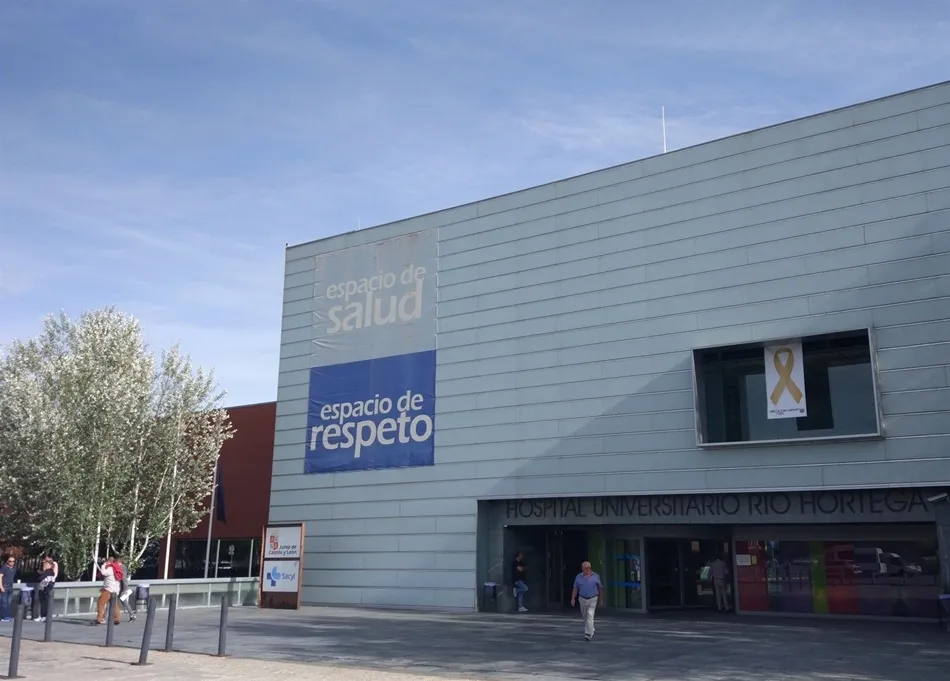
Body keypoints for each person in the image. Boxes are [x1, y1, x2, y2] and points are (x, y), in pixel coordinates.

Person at [570, 561, 603, 640]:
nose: (588, 569)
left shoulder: (595, 576)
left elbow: (600, 588)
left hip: (593, 598)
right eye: (586, 568)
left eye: (589, 568)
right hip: (582, 598)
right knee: (585, 616)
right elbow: (575, 588)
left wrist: (601, 600)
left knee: (590, 615)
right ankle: (591, 628)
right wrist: (573, 598)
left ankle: (588, 634)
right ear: (582, 569)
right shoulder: (578, 577)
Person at [94, 556, 121, 626]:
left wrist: (103, 565)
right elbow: (108, 580)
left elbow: (103, 573)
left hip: (109, 590)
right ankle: (116, 619)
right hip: (115, 590)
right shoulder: (115, 568)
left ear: (109, 561)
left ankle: (99, 619)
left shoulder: (110, 568)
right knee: (114, 605)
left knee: (101, 603)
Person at [114, 556, 137, 621]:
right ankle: (132, 614)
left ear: (118, 562)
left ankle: (132, 614)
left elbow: (123, 578)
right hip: (121, 587)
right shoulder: (122, 567)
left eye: (116, 562)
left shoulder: (122, 567)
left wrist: (124, 589)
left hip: (122, 588)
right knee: (122, 601)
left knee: (122, 600)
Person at [35, 557, 56, 622]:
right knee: (43, 602)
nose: (44, 565)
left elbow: (40, 578)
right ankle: (43, 615)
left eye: (46, 564)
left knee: (44, 603)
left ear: (49, 565)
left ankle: (44, 616)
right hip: (42, 588)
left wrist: (40, 574)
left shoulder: (49, 571)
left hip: (45, 589)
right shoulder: (46, 572)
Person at [0, 555, 16, 623]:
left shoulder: (14, 568)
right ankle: (4, 617)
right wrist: (1, 586)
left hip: (10, 586)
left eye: (13, 561)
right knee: (4, 602)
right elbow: (0, 577)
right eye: (10, 561)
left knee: (9, 602)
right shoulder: (4, 568)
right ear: (7, 561)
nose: (11, 562)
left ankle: (7, 615)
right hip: (5, 586)